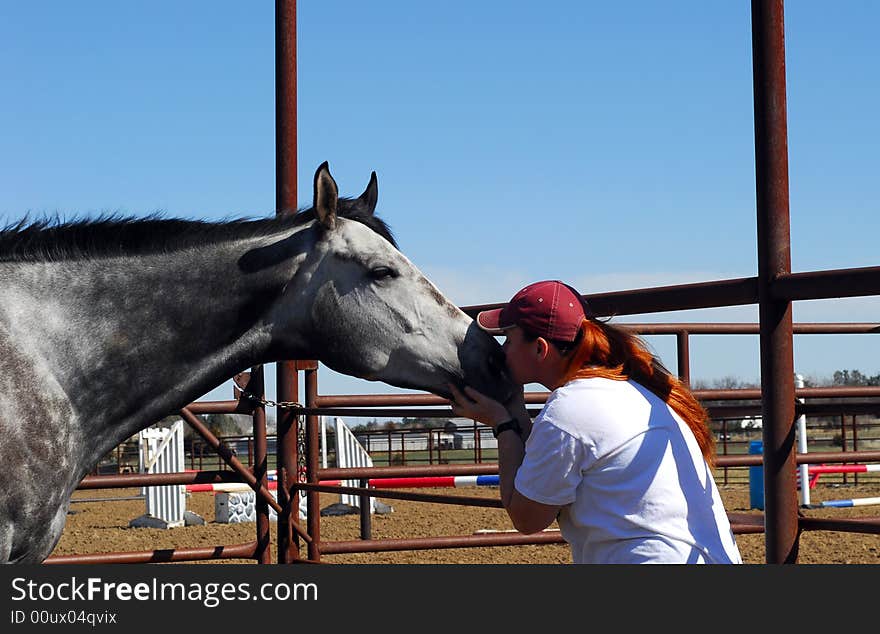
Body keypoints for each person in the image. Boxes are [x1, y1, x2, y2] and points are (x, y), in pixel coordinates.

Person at [448, 280, 742, 564]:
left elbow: (527, 518)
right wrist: (515, 412)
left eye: (509, 340)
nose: (503, 351)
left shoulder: (569, 409)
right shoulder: (627, 390)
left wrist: (502, 424)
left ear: (540, 349)